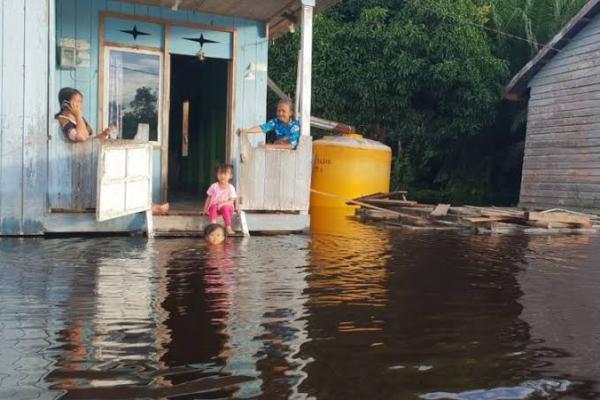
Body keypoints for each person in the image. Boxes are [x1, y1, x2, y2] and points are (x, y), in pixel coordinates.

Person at [203, 163, 237, 235]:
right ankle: (213, 225)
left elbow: (231, 201)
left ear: (230, 176)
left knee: (225, 208)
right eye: (220, 173)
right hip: (216, 208)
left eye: (225, 174)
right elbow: (209, 197)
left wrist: (222, 204)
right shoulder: (214, 186)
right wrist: (205, 209)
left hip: (227, 208)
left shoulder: (231, 187)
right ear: (217, 175)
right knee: (213, 206)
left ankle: (228, 227)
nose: (222, 176)